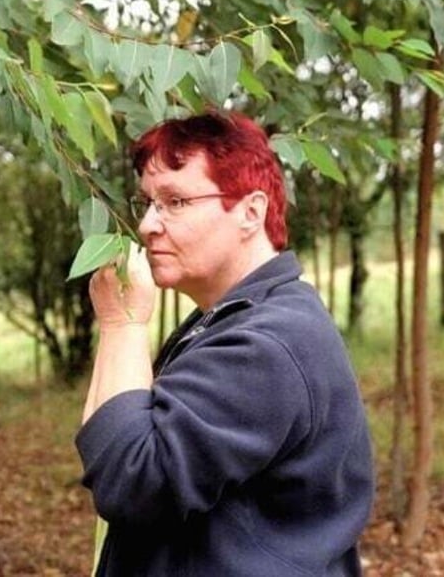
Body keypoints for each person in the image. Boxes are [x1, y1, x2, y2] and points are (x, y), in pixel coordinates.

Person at [76, 110, 375, 576]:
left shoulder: (268, 344)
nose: (149, 225)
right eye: (149, 203)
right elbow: (108, 449)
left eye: (175, 202)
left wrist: (122, 324)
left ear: (251, 212)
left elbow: (127, 481)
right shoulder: (228, 321)